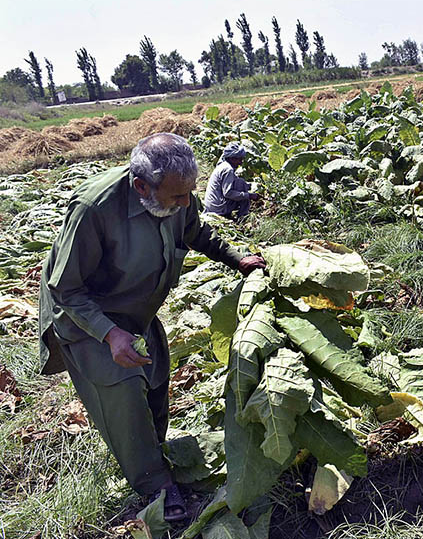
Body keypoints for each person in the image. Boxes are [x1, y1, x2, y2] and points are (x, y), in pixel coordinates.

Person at [38, 133, 266, 521]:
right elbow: (66, 287)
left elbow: (196, 233)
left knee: (157, 381)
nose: (184, 204)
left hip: (136, 307)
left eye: (188, 195)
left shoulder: (177, 196)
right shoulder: (94, 208)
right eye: (176, 197)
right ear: (142, 186)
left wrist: (237, 259)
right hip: (87, 314)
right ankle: (154, 486)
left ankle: (151, 451)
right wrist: (109, 334)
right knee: (123, 392)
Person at [203, 142, 261, 221]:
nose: (241, 163)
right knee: (241, 184)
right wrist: (249, 195)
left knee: (240, 182)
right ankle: (242, 218)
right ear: (232, 158)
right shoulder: (228, 170)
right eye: (239, 159)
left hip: (211, 206)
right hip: (218, 208)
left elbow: (233, 182)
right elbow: (228, 193)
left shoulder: (223, 165)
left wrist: (252, 186)